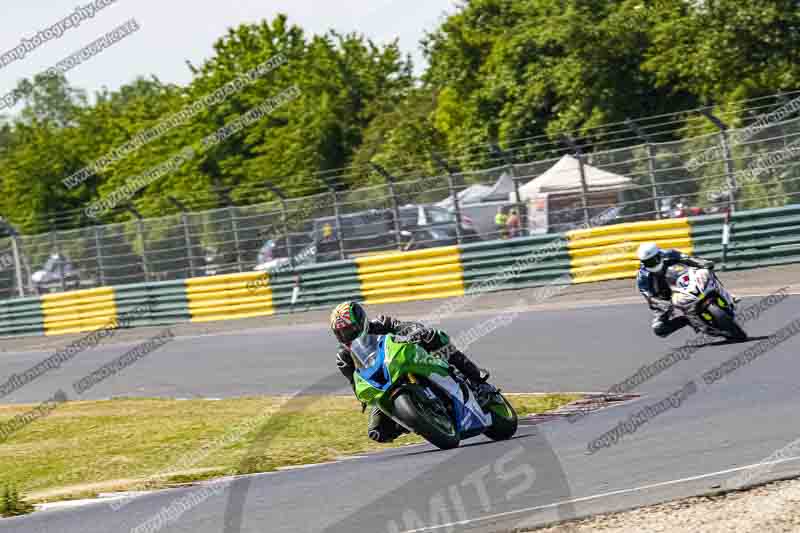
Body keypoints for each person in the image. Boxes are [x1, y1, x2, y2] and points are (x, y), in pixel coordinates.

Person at [331, 301, 496, 443]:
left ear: (361, 322)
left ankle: (474, 376)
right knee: (377, 431)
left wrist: (416, 332)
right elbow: (355, 382)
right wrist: (365, 398)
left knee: (434, 337)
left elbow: (405, 326)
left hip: (407, 357)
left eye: (350, 329)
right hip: (382, 381)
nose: (346, 335)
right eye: (341, 333)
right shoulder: (343, 357)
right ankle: (418, 420)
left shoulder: (381, 323)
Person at [636, 242, 718, 337]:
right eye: (647, 262)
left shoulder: (668, 254)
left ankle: (724, 294)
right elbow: (648, 295)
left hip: (683, 280)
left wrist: (703, 263)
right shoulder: (642, 276)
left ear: (658, 254)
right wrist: (660, 302)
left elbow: (687, 258)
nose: (652, 264)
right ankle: (687, 320)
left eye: (653, 260)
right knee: (659, 329)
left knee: (706, 270)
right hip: (664, 297)